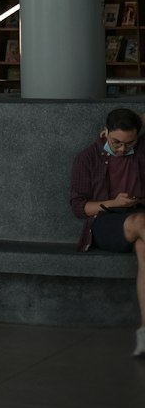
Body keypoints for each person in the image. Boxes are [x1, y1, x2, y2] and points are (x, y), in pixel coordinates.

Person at [69, 107, 145, 357]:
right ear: (105, 132)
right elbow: (80, 208)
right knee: (139, 222)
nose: (123, 149)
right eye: (117, 142)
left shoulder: (141, 149)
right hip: (105, 222)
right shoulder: (88, 157)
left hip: (140, 221)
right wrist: (114, 202)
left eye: (130, 142)